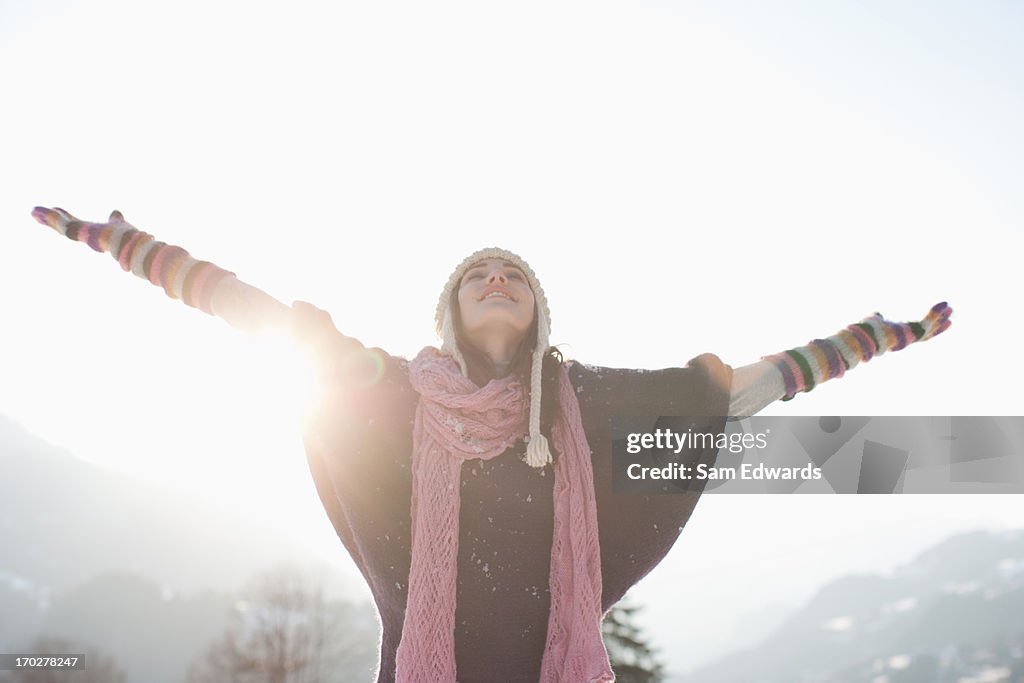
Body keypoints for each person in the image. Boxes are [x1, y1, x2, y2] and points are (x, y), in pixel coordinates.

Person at [31, 207, 953, 682]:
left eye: (513, 273)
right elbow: (261, 317)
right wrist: (126, 244)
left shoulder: (587, 406)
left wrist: (876, 337)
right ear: (452, 308)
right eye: (477, 273)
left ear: (538, 307)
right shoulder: (389, 394)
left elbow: (735, 391)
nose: (497, 278)